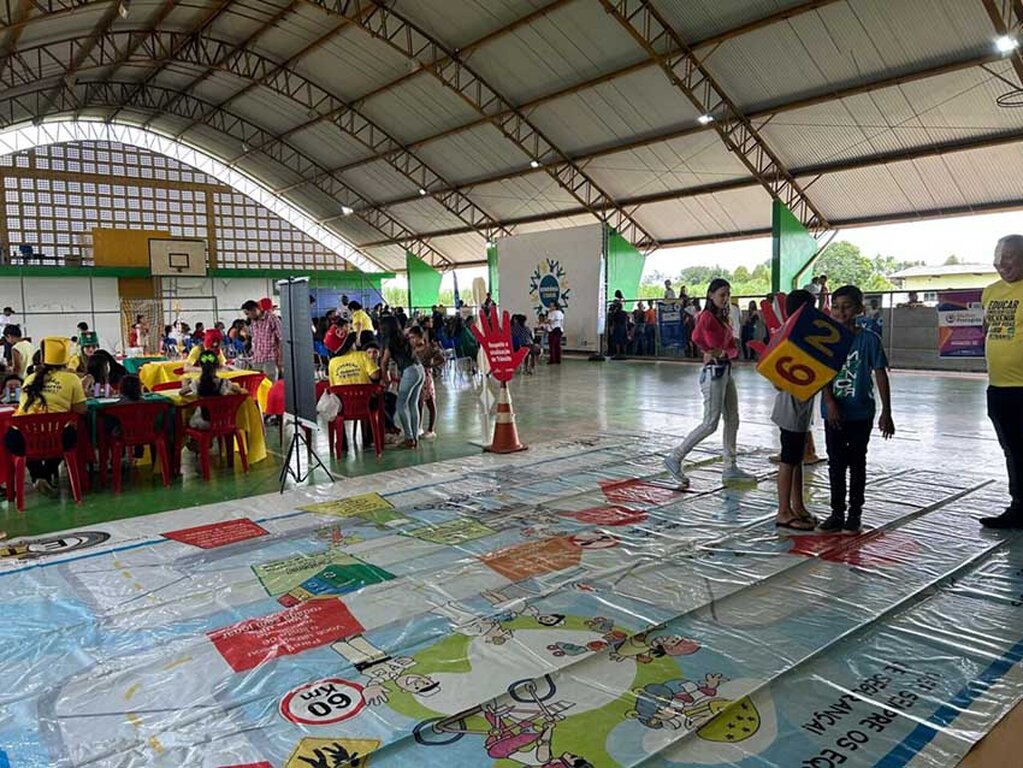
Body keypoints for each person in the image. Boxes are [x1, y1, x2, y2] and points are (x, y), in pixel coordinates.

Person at [663, 279, 756, 489]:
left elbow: (733, 347)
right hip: (713, 373)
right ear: (711, 295)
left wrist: (724, 353)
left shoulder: (725, 318)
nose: (725, 298)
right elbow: (696, 337)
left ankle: (730, 466)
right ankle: (675, 457)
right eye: (722, 294)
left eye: (728, 294)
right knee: (710, 423)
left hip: (725, 371)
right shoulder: (706, 316)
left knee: (733, 419)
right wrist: (711, 351)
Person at [819, 285, 895, 533]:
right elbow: (821, 374)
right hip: (834, 414)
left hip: (861, 412)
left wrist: (887, 411)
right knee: (836, 463)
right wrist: (830, 402)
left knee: (857, 462)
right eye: (836, 306)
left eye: (847, 306)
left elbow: (880, 374)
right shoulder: (825, 339)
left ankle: (855, 513)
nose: (841, 312)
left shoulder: (870, 340)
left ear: (859, 309)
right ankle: (836, 512)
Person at [5, 337, 86, 497]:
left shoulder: (30, 378)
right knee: (67, 436)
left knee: (24, 443)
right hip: (55, 437)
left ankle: (37, 474)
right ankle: (46, 474)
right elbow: (81, 409)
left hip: (22, 437)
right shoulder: (72, 379)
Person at [979, 236, 1023, 529]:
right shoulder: (990, 292)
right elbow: (988, 327)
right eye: (998, 256)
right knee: (1013, 449)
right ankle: (1019, 505)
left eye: (1009, 256)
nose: (1001, 262)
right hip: (998, 387)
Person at [771, 290, 819, 531]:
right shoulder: (789, 338)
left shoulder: (806, 337)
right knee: (789, 459)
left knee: (797, 458)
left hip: (801, 408)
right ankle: (783, 511)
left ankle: (797, 505)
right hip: (790, 408)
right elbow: (777, 380)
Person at [379, 315, 424, 448]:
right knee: (413, 404)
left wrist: (384, 376)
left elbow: (384, 361)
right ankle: (415, 437)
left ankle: (409, 438)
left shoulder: (389, 340)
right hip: (419, 369)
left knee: (400, 405)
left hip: (409, 371)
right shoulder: (403, 335)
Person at [180, 351, 244, 430]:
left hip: (202, 422)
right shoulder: (223, 382)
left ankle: (194, 441)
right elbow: (239, 391)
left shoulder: (198, 383)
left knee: (186, 418)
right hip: (222, 422)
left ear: (200, 366)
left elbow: (182, 393)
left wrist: (186, 384)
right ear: (217, 366)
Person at [409, 325, 443, 439]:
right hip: (415, 378)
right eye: (410, 338)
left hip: (426, 378)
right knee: (418, 403)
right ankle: (419, 427)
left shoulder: (428, 348)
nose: (412, 340)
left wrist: (430, 365)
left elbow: (441, 359)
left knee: (430, 402)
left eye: (414, 337)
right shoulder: (412, 349)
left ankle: (431, 429)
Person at [242, 298, 282, 381]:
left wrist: (281, 358)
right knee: (258, 386)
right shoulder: (253, 322)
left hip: (270, 359)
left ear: (254, 310)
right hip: (257, 359)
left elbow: (282, 338)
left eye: (247, 313)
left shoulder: (272, 319)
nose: (247, 316)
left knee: (270, 385)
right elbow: (255, 337)